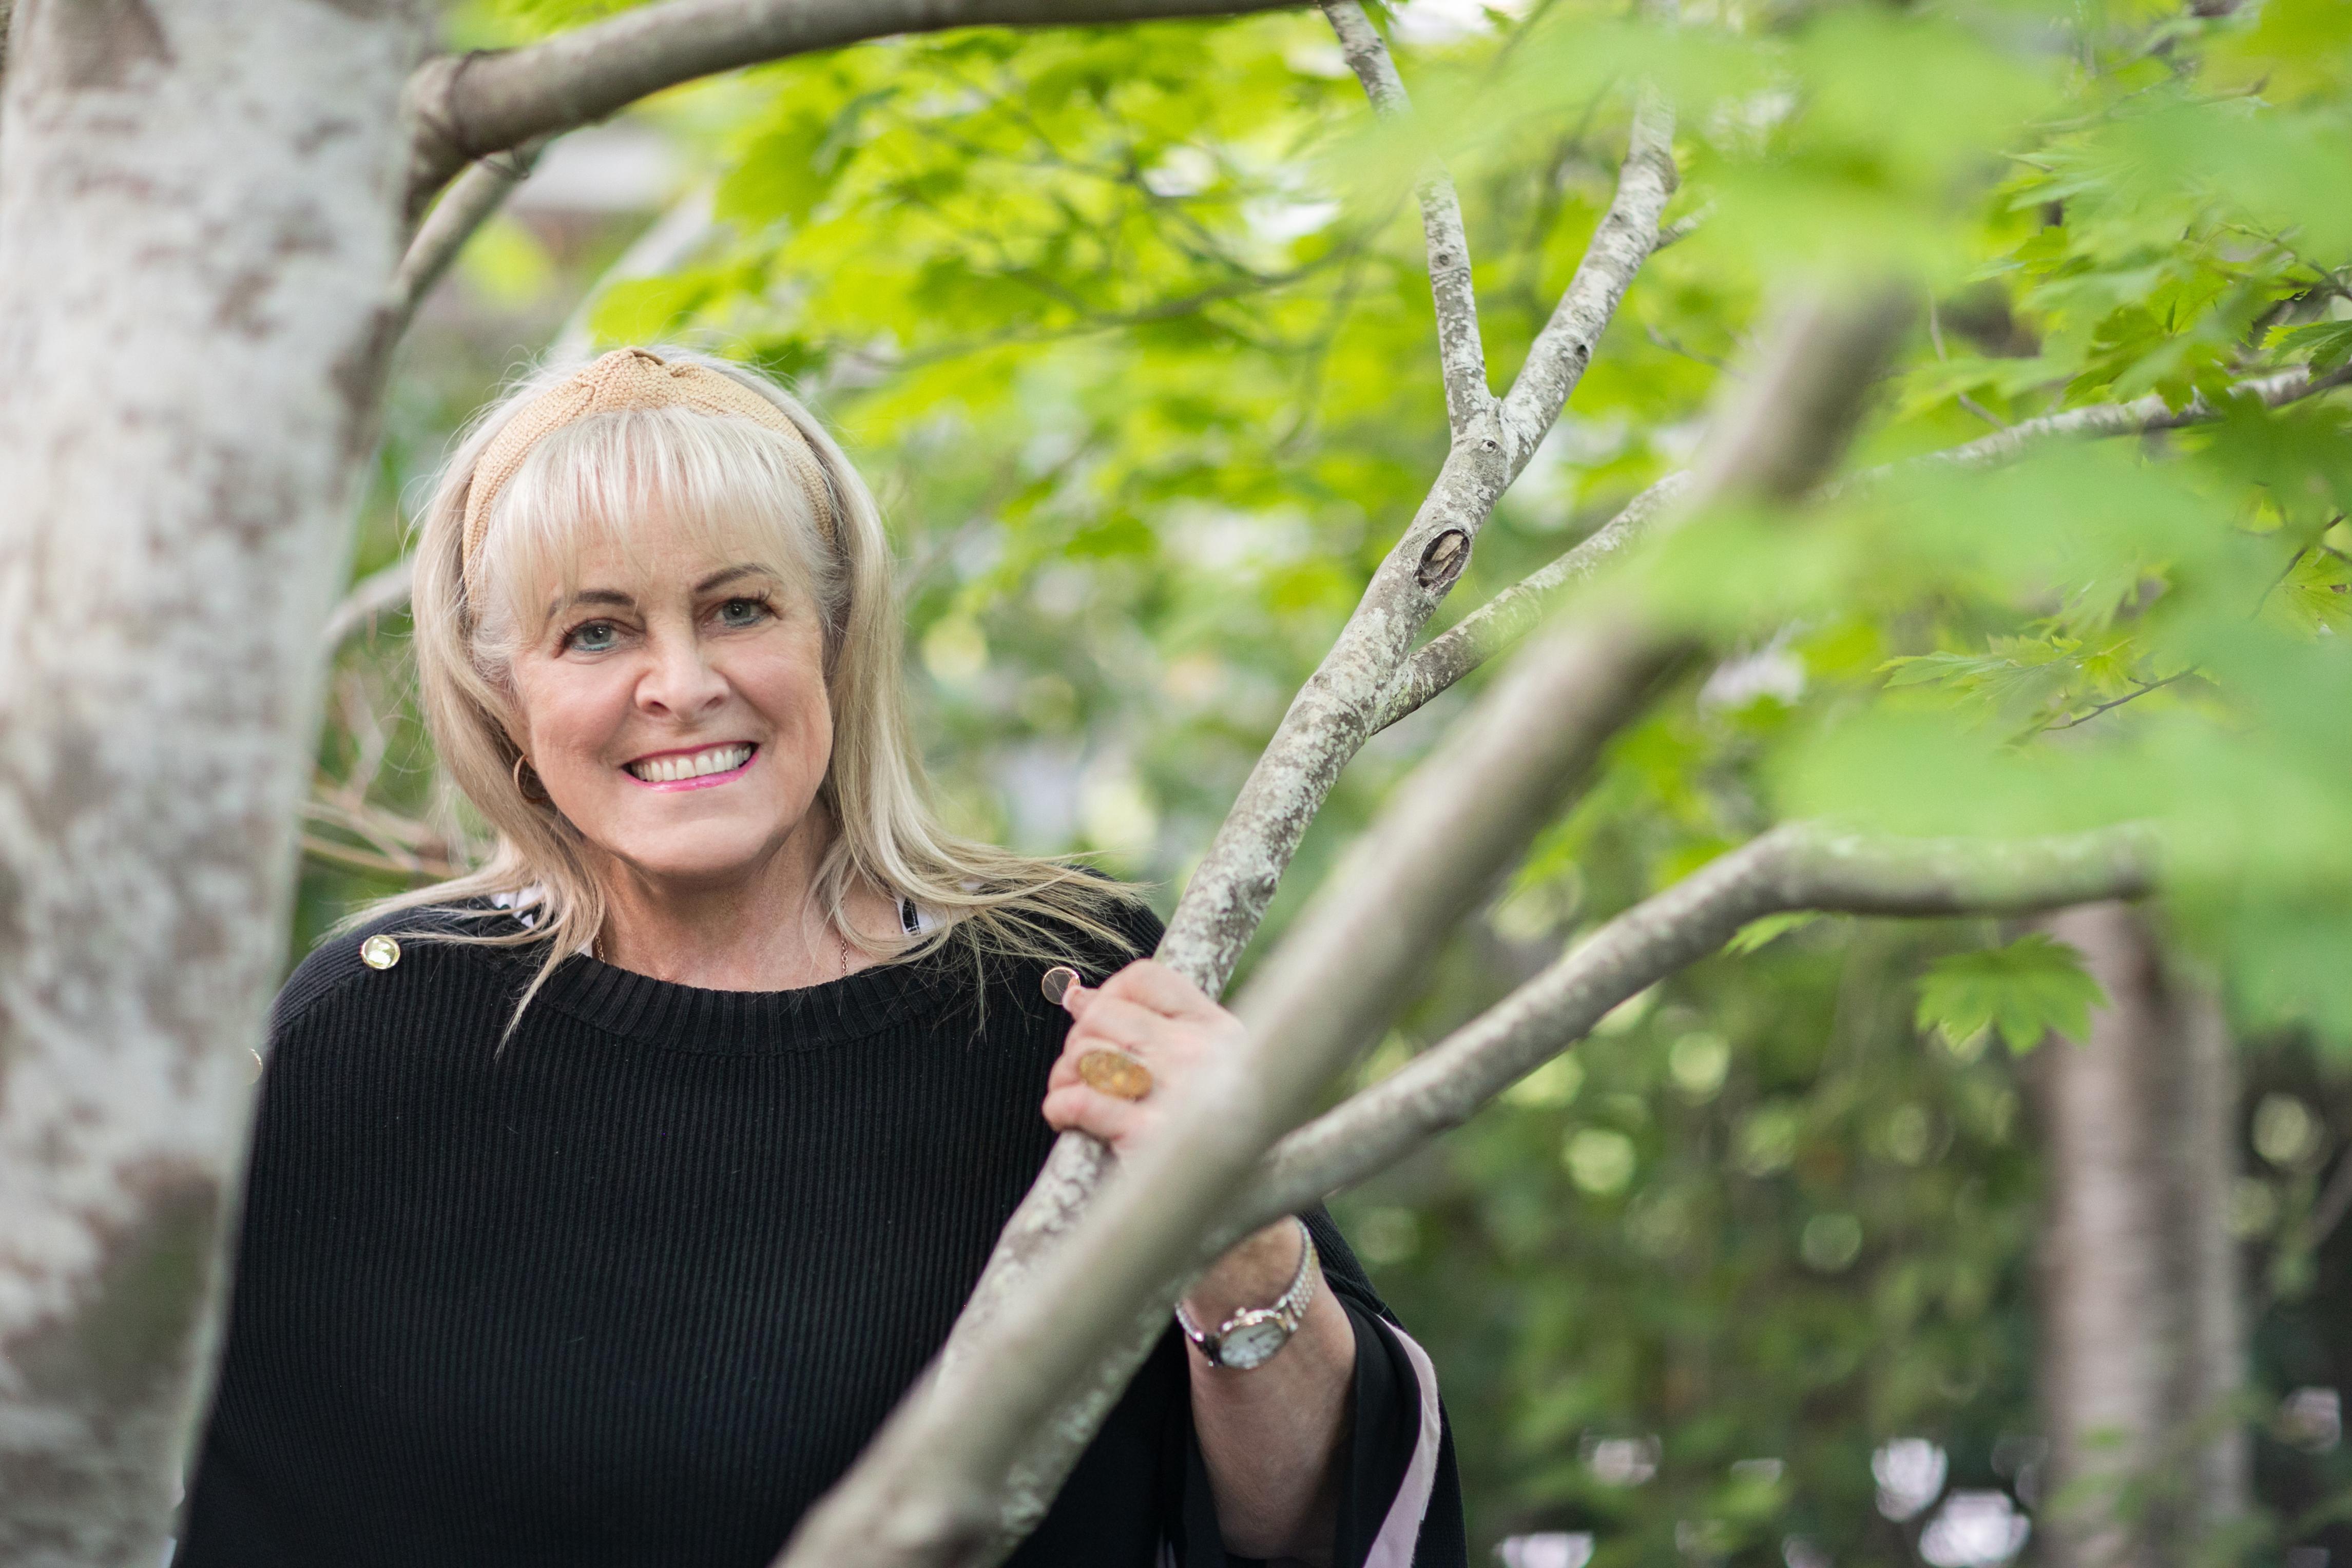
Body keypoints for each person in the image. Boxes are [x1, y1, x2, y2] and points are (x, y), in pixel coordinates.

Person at [176, 346, 1465, 1567]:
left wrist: (1237, 1236)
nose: (680, 683)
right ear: (500, 687)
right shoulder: (375, 1033)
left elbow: (1312, 1528)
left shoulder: (1064, 995)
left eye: (738, 608)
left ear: (834, 638)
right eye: (597, 631)